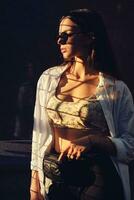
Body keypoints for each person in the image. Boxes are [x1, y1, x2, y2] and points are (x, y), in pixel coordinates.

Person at [30, 9, 134, 200]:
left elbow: (130, 145)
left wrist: (92, 141)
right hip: (57, 172)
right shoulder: (48, 79)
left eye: (66, 35)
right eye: (59, 35)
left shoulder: (115, 89)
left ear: (89, 37)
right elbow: (39, 137)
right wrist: (35, 184)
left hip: (97, 175)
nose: (59, 41)